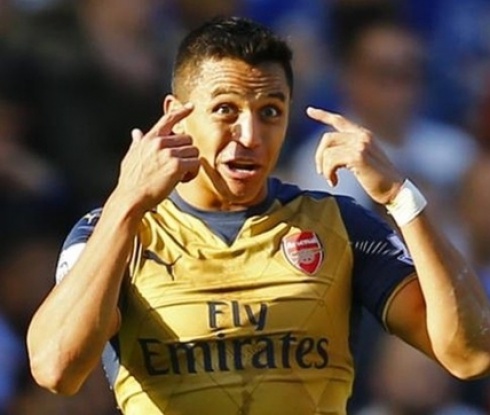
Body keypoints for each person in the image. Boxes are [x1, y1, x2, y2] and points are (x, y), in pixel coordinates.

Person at [26, 16, 490, 415]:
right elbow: (55, 369)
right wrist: (125, 204)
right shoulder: (115, 232)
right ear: (177, 116)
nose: (250, 135)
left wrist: (401, 198)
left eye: (270, 111)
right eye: (225, 110)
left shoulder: (339, 226)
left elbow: (471, 353)